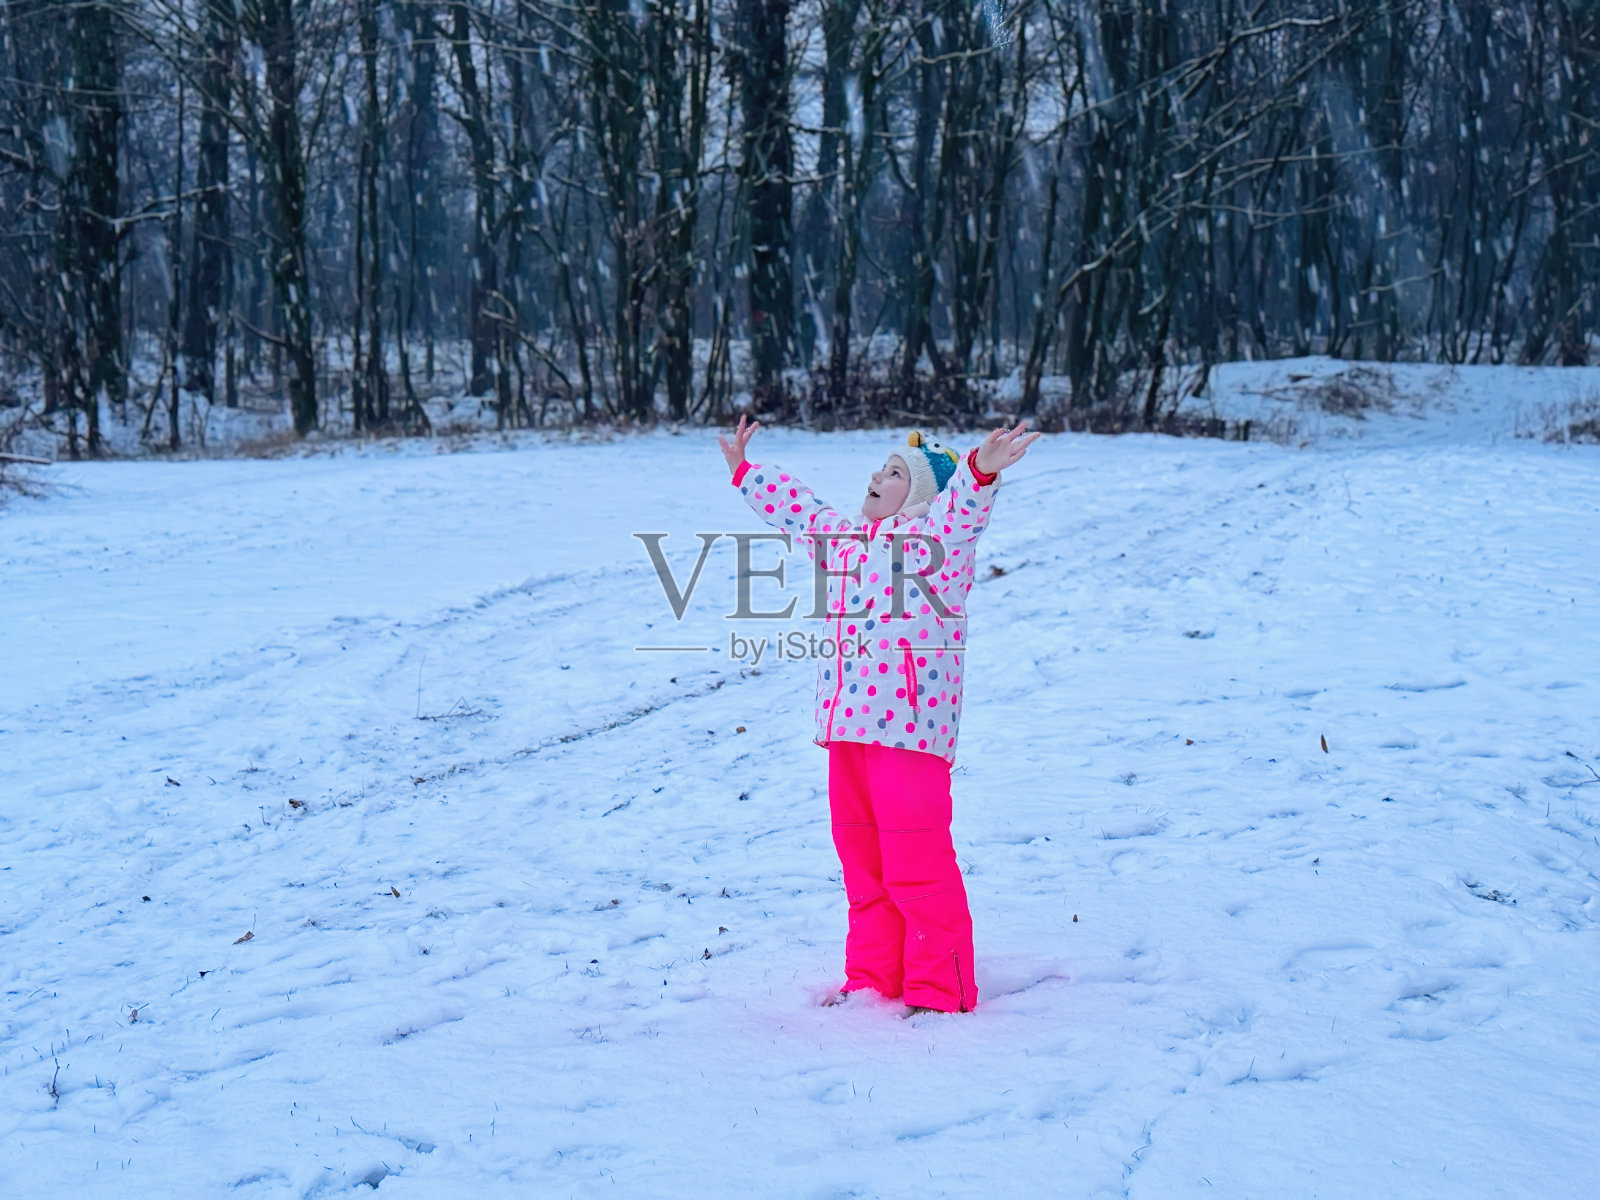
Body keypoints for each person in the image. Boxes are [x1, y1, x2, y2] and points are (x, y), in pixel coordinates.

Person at [718, 415, 1041, 1013]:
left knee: (915, 863)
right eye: (882, 466)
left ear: (920, 496)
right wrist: (746, 471)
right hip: (848, 730)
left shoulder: (936, 546)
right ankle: (873, 981)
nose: (877, 475)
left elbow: (963, 509)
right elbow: (801, 512)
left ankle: (939, 989)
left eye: (895, 472)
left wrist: (979, 471)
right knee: (863, 865)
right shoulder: (845, 544)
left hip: (908, 731)